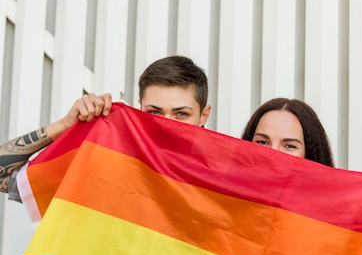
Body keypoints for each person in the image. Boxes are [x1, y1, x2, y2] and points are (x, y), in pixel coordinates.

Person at [0, 55, 211, 201]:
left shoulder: (220, 178)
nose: (166, 123)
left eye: (181, 114)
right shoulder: (104, 166)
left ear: (204, 115)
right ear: (139, 108)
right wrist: (64, 126)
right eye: (154, 112)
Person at [241, 97, 334, 167]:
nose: (272, 153)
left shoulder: (330, 193)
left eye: (289, 146)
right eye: (262, 142)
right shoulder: (228, 192)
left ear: (310, 156)